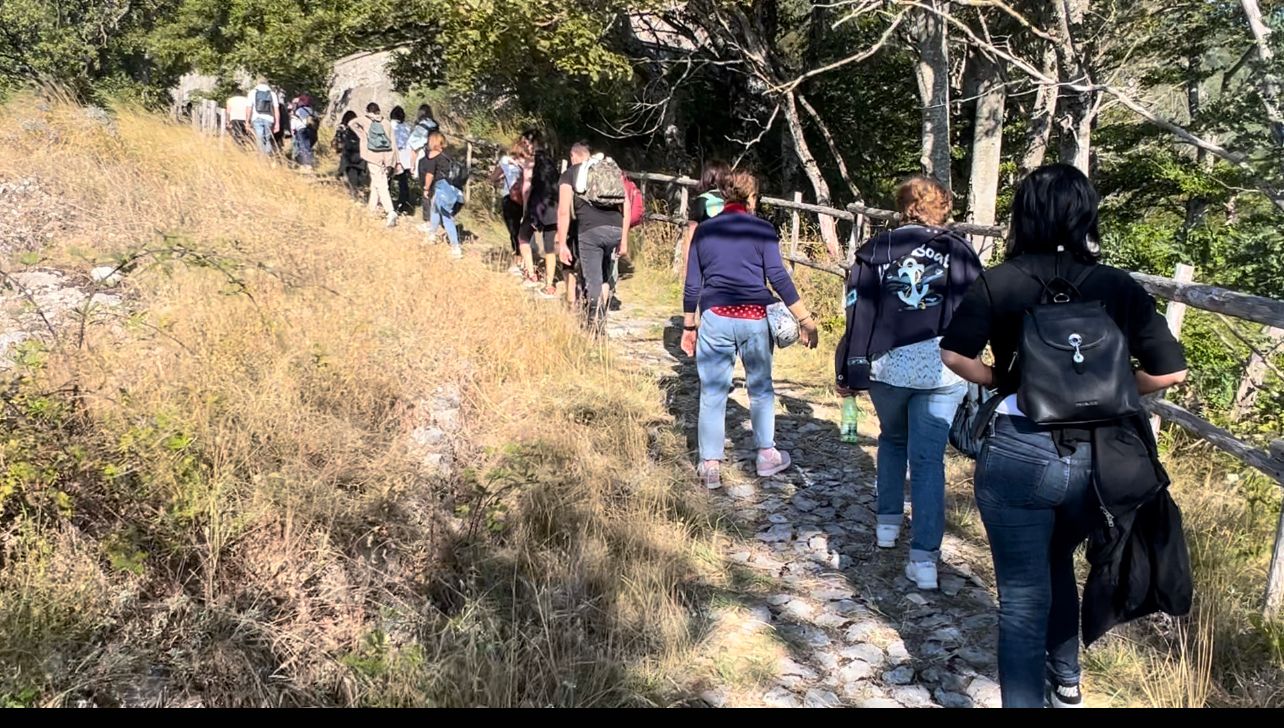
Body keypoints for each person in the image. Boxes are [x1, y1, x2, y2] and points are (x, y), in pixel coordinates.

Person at [940, 164, 1188, 708]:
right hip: (1102, 462)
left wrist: (1009, 381)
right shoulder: (1116, 285)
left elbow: (955, 354)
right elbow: (1171, 371)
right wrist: (1116, 391)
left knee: (1023, 599)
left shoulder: (999, 280)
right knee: (1059, 562)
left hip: (1020, 450)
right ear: (1085, 213)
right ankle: (1068, 683)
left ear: (1024, 214)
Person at [833, 176, 983, 592]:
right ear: (943, 206)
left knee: (893, 439)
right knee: (929, 460)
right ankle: (925, 560)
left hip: (888, 366)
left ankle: (886, 524)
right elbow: (979, 311)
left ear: (903, 206)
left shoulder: (875, 251)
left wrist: (850, 366)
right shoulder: (961, 253)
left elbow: (857, 313)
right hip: (944, 366)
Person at [680, 169, 819, 489]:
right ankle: (766, 455)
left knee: (712, 391)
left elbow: (692, 283)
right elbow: (778, 277)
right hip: (755, 318)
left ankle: (710, 465)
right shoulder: (763, 229)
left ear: (724, 195)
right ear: (751, 197)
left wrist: (690, 323)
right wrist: (805, 319)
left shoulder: (705, 230)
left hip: (715, 316)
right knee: (760, 388)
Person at [555, 142, 631, 333]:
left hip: (590, 231)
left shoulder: (570, 173)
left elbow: (563, 211)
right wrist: (624, 238)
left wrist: (562, 243)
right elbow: (626, 204)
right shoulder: (609, 169)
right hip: (614, 227)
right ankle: (599, 320)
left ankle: (595, 328)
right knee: (604, 277)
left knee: (594, 280)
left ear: (573, 156)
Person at [518, 147, 562, 297]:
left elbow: (527, 192)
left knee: (523, 237)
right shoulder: (556, 175)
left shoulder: (534, 174)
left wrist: (525, 211)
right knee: (549, 248)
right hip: (553, 213)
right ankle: (549, 285)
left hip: (536, 211)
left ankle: (531, 274)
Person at [350, 102, 399, 227]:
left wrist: (363, 136)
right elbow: (393, 143)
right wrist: (394, 162)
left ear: (368, 110)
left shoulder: (365, 120)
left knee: (381, 185)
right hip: (386, 157)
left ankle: (390, 211)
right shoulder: (387, 123)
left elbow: (351, 123)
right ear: (379, 110)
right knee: (376, 183)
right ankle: (371, 211)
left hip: (372, 156)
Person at [419, 131, 464, 259]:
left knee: (446, 217)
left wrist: (426, 188)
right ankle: (432, 235)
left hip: (441, 188)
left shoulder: (432, 156)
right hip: (450, 187)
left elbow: (429, 175)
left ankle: (456, 247)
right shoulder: (446, 155)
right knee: (435, 210)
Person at [680, 160, 730, 274]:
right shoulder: (733, 202)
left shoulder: (702, 201)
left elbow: (691, 235)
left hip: (706, 258)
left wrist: (688, 267)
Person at [491, 138, 531, 277]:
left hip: (510, 198)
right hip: (528, 200)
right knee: (525, 231)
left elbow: (493, 178)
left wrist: (500, 180)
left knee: (514, 232)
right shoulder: (530, 163)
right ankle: (527, 263)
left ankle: (517, 262)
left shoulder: (505, 161)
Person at [333, 110, 366, 200]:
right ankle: (360, 193)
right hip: (360, 156)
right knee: (359, 176)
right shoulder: (360, 128)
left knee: (351, 177)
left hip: (348, 156)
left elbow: (337, 142)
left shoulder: (342, 128)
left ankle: (353, 196)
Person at [390, 106, 415, 215]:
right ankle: (404, 205)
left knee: (387, 179)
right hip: (405, 156)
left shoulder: (390, 125)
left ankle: (387, 203)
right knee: (403, 182)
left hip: (393, 154)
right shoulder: (407, 127)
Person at [248, 78, 282, 155]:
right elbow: (276, 110)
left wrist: (247, 120)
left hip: (256, 117)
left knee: (260, 138)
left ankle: (262, 157)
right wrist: (277, 124)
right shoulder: (272, 93)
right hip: (269, 118)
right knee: (268, 138)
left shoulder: (253, 92)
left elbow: (249, 107)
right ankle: (268, 155)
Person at [288, 95, 317, 168]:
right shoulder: (313, 111)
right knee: (308, 146)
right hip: (311, 130)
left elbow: (294, 121)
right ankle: (308, 162)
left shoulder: (299, 111)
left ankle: (306, 164)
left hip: (301, 129)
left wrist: (292, 130)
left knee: (303, 146)